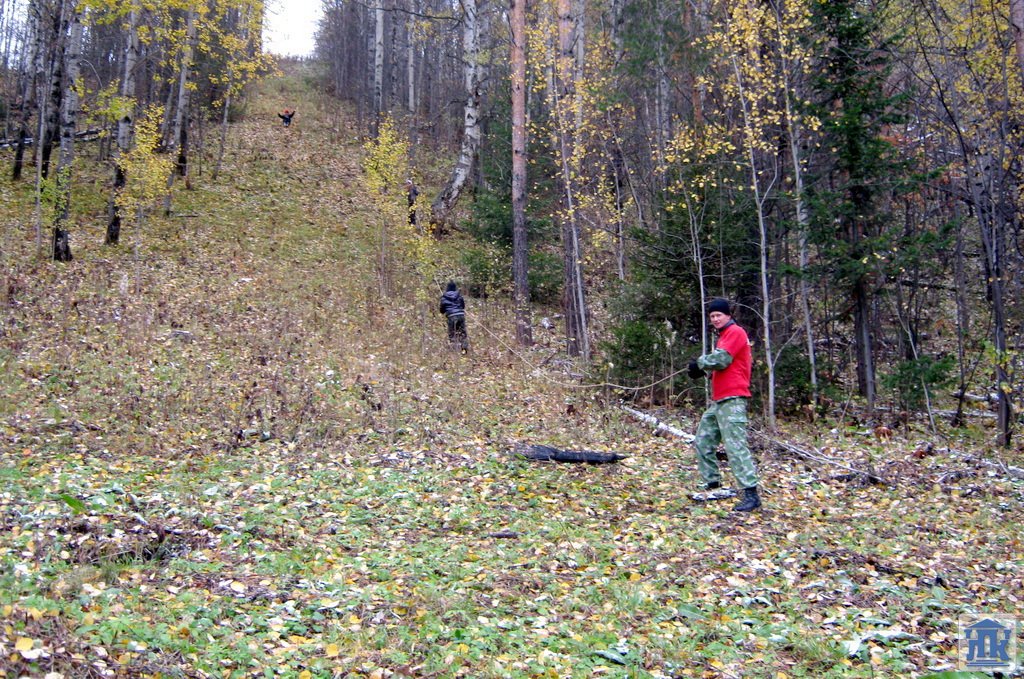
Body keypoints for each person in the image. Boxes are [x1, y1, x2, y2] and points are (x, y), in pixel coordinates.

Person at [688, 298, 761, 511]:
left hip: (733, 399)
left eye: (718, 315)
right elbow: (724, 365)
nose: (715, 319)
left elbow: (723, 360)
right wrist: (703, 371)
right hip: (719, 401)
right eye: (712, 316)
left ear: (728, 315)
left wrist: (700, 363)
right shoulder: (723, 336)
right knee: (703, 440)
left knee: (735, 446)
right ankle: (713, 484)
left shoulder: (735, 332)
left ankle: (751, 494)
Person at [439, 281, 469, 351]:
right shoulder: (459, 295)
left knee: (452, 333)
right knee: (462, 333)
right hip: (460, 315)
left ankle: (455, 349)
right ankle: (464, 348)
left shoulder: (444, 297)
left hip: (451, 316)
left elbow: (442, 310)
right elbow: (463, 306)